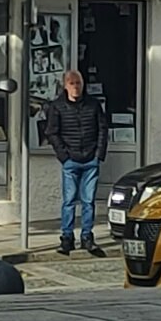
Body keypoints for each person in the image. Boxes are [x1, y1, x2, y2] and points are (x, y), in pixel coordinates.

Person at [40, 65, 110, 251]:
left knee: (88, 201)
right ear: (65, 86)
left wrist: (98, 154)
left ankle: (87, 236)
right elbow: (51, 132)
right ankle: (67, 237)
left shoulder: (93, 105)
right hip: (71, 159)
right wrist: (64, 156)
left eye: (78, 83)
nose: (76, 87)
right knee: (69, 201)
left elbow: (103, 129)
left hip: (90, 159)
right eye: (72, 83)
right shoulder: (57, 106)